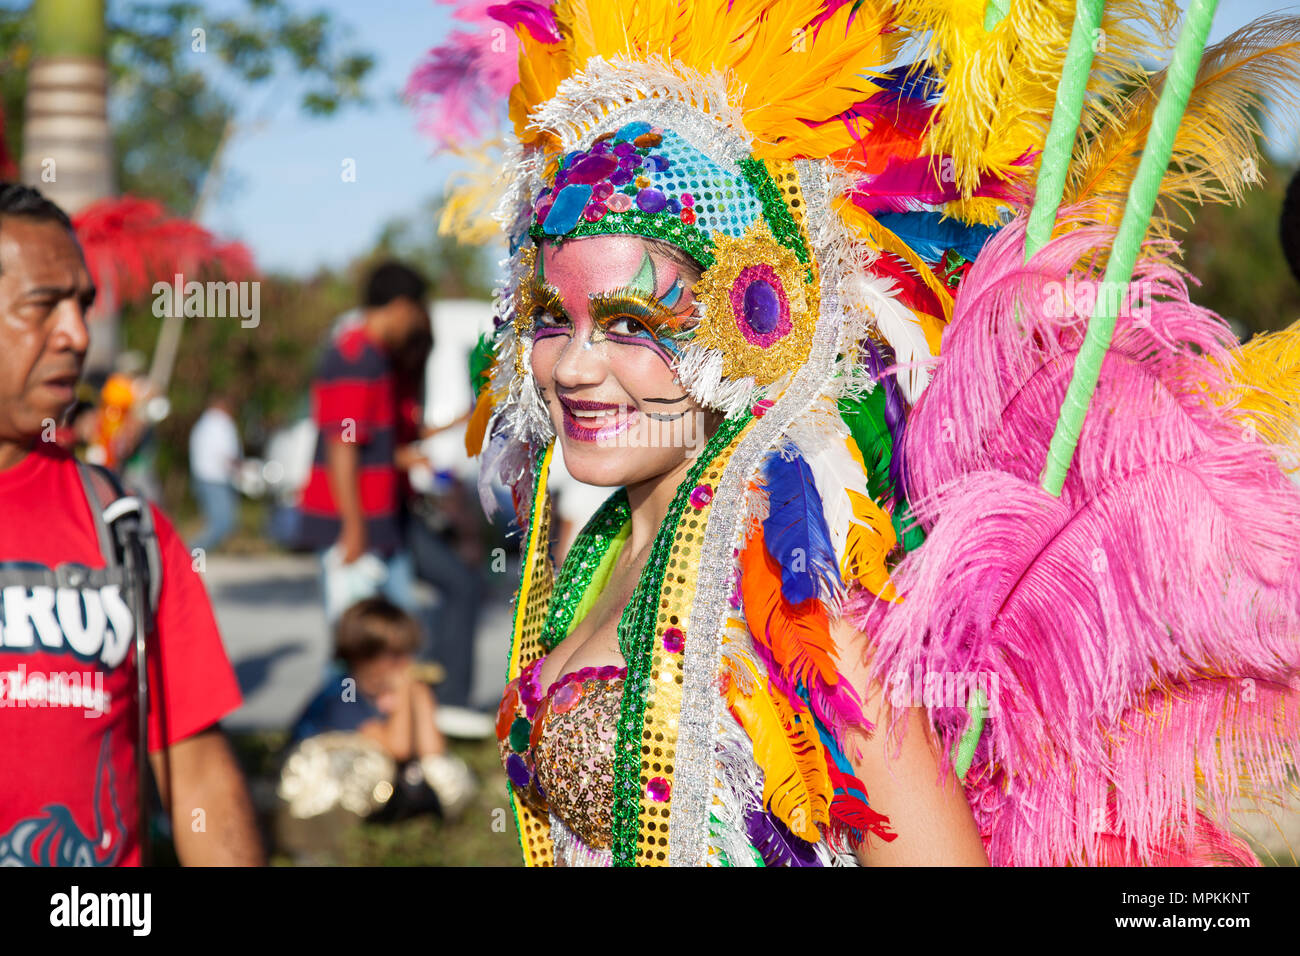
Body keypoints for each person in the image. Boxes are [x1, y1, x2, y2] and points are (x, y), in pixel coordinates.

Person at [421, 2, 1300, 867]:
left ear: (754, 316)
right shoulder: (600, 552)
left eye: (630, 320)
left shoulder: (804, 606)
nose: (572, 368)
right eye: (551, 316)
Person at [0, 182, 262, 866]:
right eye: (42, 307)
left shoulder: (127, 528)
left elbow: (198, 770)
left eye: (82, 305)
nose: (78, 335)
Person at [298, 261, 430, 622]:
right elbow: (342, 444)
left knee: (393, 641)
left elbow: (372, 445)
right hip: (355, 527)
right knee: (355, 650)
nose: (419, 322)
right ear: (402, 307)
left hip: (378, 523)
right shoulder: (355, 356)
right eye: (419, 311)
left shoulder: (377, 356)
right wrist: (353, 530)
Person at [287, 597, 475, 820]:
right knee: (374, 762)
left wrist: (420, 695)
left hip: (373, 793)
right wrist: (405, 691)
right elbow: (398, 748)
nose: (406, 664)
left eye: (409, 654)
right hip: (310, 793)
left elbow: (433, 751)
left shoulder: (387, 694)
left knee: (446, 768)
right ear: (364, 657)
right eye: (396, 656)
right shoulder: (342, 695)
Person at [188, 394, 242, 553]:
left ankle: (193, 556)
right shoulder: (220, 423)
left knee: (215, 523)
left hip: (203, 478)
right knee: (222, 523)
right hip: (216, 480)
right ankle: (191, 553)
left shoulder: (203, 423)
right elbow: (227, 455)